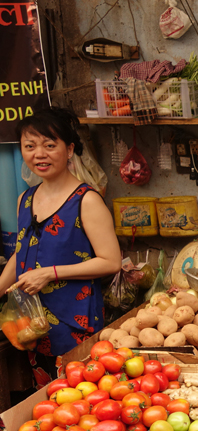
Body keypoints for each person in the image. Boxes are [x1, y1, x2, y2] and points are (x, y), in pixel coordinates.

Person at [0, 107, 121, 386]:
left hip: (73, 323)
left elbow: (111, 261)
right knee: (45, 402)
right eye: (29, 146)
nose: (39, 154)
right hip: (31, 324)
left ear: (69, 150)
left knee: (77, 399)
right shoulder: (25, 200)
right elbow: (23, 251)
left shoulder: (86, 200)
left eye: (49, 145)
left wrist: (49, 273)